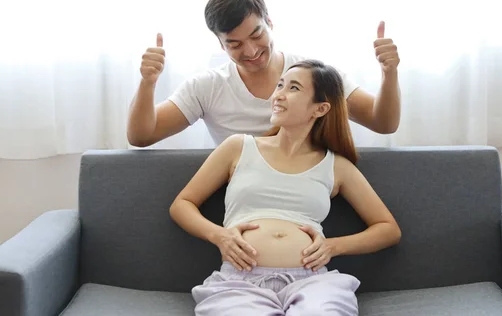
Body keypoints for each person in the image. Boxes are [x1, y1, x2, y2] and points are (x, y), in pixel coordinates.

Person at [169, 59, 401, 315]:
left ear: (320, 108)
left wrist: (333, 246)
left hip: (312, 282)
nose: (278, 95)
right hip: (239, 282)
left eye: (293, 88)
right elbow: (182, 204)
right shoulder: (238, 147)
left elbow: (388, 229)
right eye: (280, 85)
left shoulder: (336, 166)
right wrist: (219, 236)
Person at [127, 0, 401, 147]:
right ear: (220, 45)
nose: (251, 51)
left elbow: (383, 122)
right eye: (234, 44)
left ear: (270, 23)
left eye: (257, 35)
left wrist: (389, 73)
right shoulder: (206, 87)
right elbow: (141, 136)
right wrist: (148, 82)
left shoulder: (313, 74)